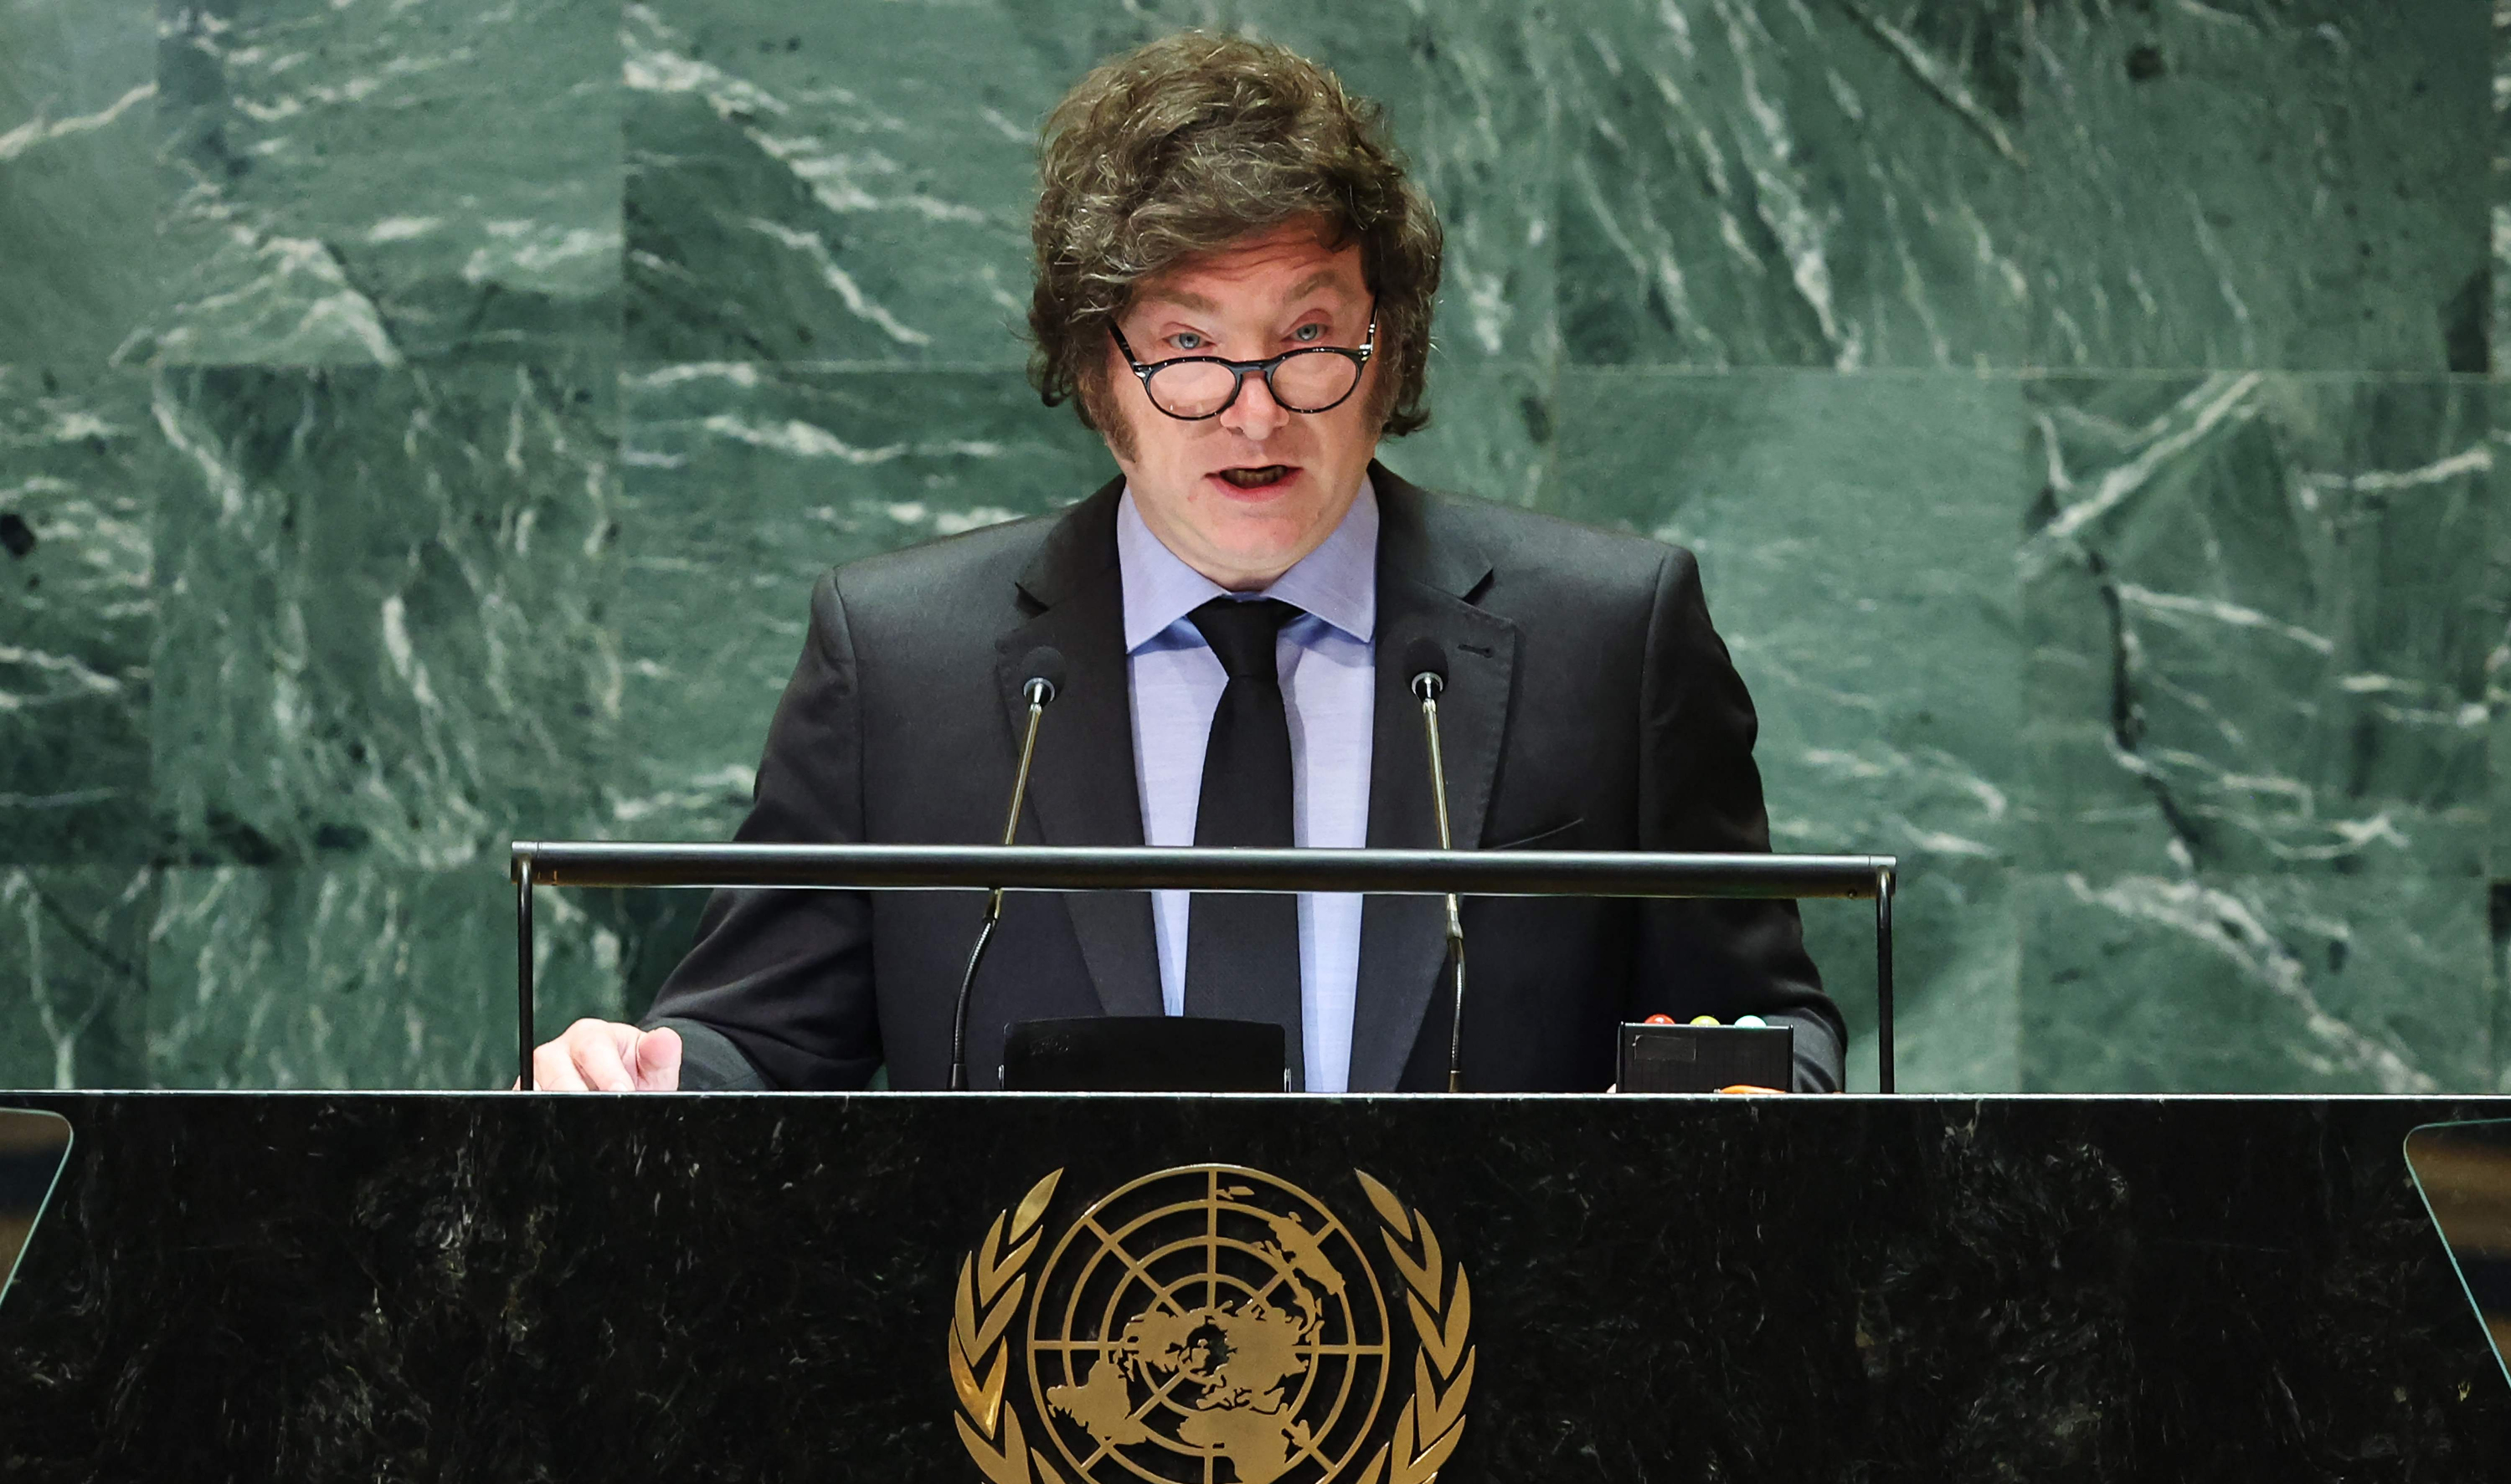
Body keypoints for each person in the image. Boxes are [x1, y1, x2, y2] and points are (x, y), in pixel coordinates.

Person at [528, 32, 1845, 1095]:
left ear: (1391, 352)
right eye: (1189, 345)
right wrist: (637, 1075)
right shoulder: (900, 662)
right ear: (1099, 368)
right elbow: (759, 1044)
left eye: (1311, 335)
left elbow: (1762, 1031)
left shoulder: (1610, 638)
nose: (1256, 408)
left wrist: (1747, 1105)